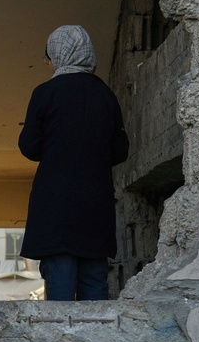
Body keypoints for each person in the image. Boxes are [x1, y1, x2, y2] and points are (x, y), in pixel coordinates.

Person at [18, 25, 129, 301]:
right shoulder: (106, 96)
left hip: (55, 210)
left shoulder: (46, 93)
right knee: (95, 291)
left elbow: (29, 147)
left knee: (60, 298)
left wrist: (58, 149)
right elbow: (120, 151)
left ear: (59, 55)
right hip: (96, 209)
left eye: (49, 58)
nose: (48, 63)